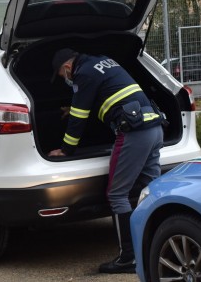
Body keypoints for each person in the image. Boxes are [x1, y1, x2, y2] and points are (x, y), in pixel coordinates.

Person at [48, 48, 164, 274]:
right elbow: (105, 94)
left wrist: (66, 150)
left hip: (134, 133)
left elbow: (80, 117)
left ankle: (128, 258)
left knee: (117, 194)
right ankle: (154, 249)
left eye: (63, 77)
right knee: (152, 192)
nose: (66, 81)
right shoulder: (102, 62)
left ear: (67, 68)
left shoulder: (83, 74)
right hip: (154, 127)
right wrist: (73, 108)